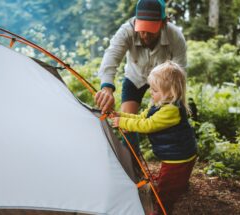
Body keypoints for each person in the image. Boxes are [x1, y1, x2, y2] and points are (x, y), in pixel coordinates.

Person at [95, 0, 187, 152]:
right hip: (134, 77)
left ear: (164, 22)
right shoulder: (126, 30)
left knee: (166, 119)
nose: (145, 35)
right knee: (126, 124)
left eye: (150, 30)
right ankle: (134, 164)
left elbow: (180, 73)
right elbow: (111, 56)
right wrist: (106, 87)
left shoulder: (175, 36)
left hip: (163, 83)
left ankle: (173, 153)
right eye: (142, 29)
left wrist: (175, 100)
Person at [112, 61, 197, 215]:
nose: (151, 92)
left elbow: (147, 125)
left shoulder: (171, 111)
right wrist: (120, 115)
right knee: (168, 183)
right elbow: (140, 117)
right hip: (173, 156)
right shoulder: (159, 105)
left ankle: (162, 210)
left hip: (179, 158)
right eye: (151, 87)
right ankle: (175, 188)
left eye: (155, 89)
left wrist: (123, 123)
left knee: (165, 191)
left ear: (170, 92)